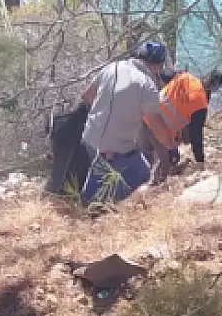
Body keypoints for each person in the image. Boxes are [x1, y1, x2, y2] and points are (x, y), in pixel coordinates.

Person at [78, 39, 182, 203]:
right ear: (158, 65)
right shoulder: (146, 84)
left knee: (103, 170)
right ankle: (100, 203)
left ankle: (92, 198)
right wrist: (171, 146)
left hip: (89, 138)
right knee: (142, 173)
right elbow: (157, 126)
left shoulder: (112, 67)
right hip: (116, 148)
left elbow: (87, 96)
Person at [146, 67, 222, 182]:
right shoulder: (200, 102)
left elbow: (165, 74)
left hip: (145, 114)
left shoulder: (186, 77)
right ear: (216, 87)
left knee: (149, 158)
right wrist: (200, 160)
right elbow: (196, 134)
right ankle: (151, 187)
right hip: (160, 129)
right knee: (166, 166)